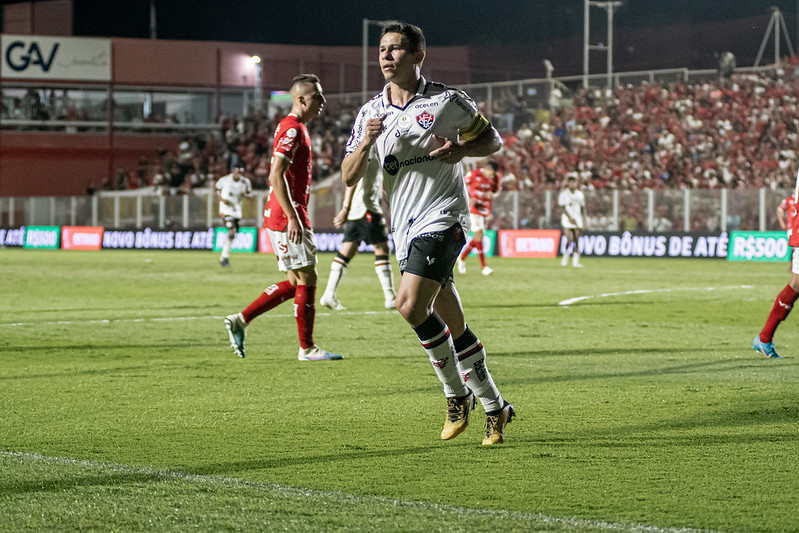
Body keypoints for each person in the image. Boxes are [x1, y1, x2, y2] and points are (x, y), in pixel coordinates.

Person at [341, 21, 514, 445]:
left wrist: (461, 149)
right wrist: (365, 143)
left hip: (444, 216)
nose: (386, 56)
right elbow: (348, 176)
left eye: (396, 49)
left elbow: (492, 140)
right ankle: (496, 406)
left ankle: (456, 396)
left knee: (408, 305)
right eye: (382, 49)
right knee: (453, 323)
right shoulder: (369, 113)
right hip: (404, 225)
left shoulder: (445, 100)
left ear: (418, 56)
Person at [224, 74, 342, 362]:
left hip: (282, 213)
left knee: (294, 280)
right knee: (309, 276)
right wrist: (292, 217)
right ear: (301, 99)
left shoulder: (295, 127)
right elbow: (275, 174)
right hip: (286, 214)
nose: (323, 102)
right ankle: (307, 348)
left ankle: (241, 320)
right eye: (317, 97)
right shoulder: (292, 129)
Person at [320, 172, 397, 310]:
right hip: (366, 208)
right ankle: (390, 297)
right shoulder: (369, 153)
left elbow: (381, 181)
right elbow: (352, 180)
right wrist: (345, 208)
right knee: (382, 248)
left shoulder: (376, 155)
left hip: (359, 210)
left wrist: (388, 199)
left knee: (348, 250)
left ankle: (328, 295)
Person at [753, 193, 798, 359]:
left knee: (795, 285)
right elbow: (781, 210)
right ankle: (764, 339)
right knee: (795, 285)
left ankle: (764, 338)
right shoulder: (788, 200)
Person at [457, 160, 500, 276]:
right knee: (479, 234)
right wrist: (469, 198)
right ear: (487, 169)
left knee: (478, 237)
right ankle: (484, 267)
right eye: (491, 174)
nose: (492, 177)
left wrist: (493, 194)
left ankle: (462, 257)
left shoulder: (495, 177)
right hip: (473, 208)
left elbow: (496, 191)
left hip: (484, 209)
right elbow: (461, 184)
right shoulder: (474, 174)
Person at [215, 165, 253, 267]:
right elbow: (216, 189)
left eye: (241, 173)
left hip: (237, 212)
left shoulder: (245, 182)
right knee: (231, 232)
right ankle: (224, 258)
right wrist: (222, 200)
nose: (239, 175)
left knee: (233, 234)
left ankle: (224, 257)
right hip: (226, 210)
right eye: (237, 172)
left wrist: (244, 194)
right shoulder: (225, 180)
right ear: (233, 171)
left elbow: (250, 194)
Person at [558, 173, 585, 267]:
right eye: (571, 182)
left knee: (576, 240)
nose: (573, 184)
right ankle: (565, 257)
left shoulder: (580, 195)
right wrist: (569, 217)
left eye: (574, 182)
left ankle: (575, 261)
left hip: (577, 218)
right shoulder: (564, 194)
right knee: (569, 239)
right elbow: (562, 208)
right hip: (567, 219)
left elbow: (582, 208)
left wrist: (583, 219)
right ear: (568, 183)